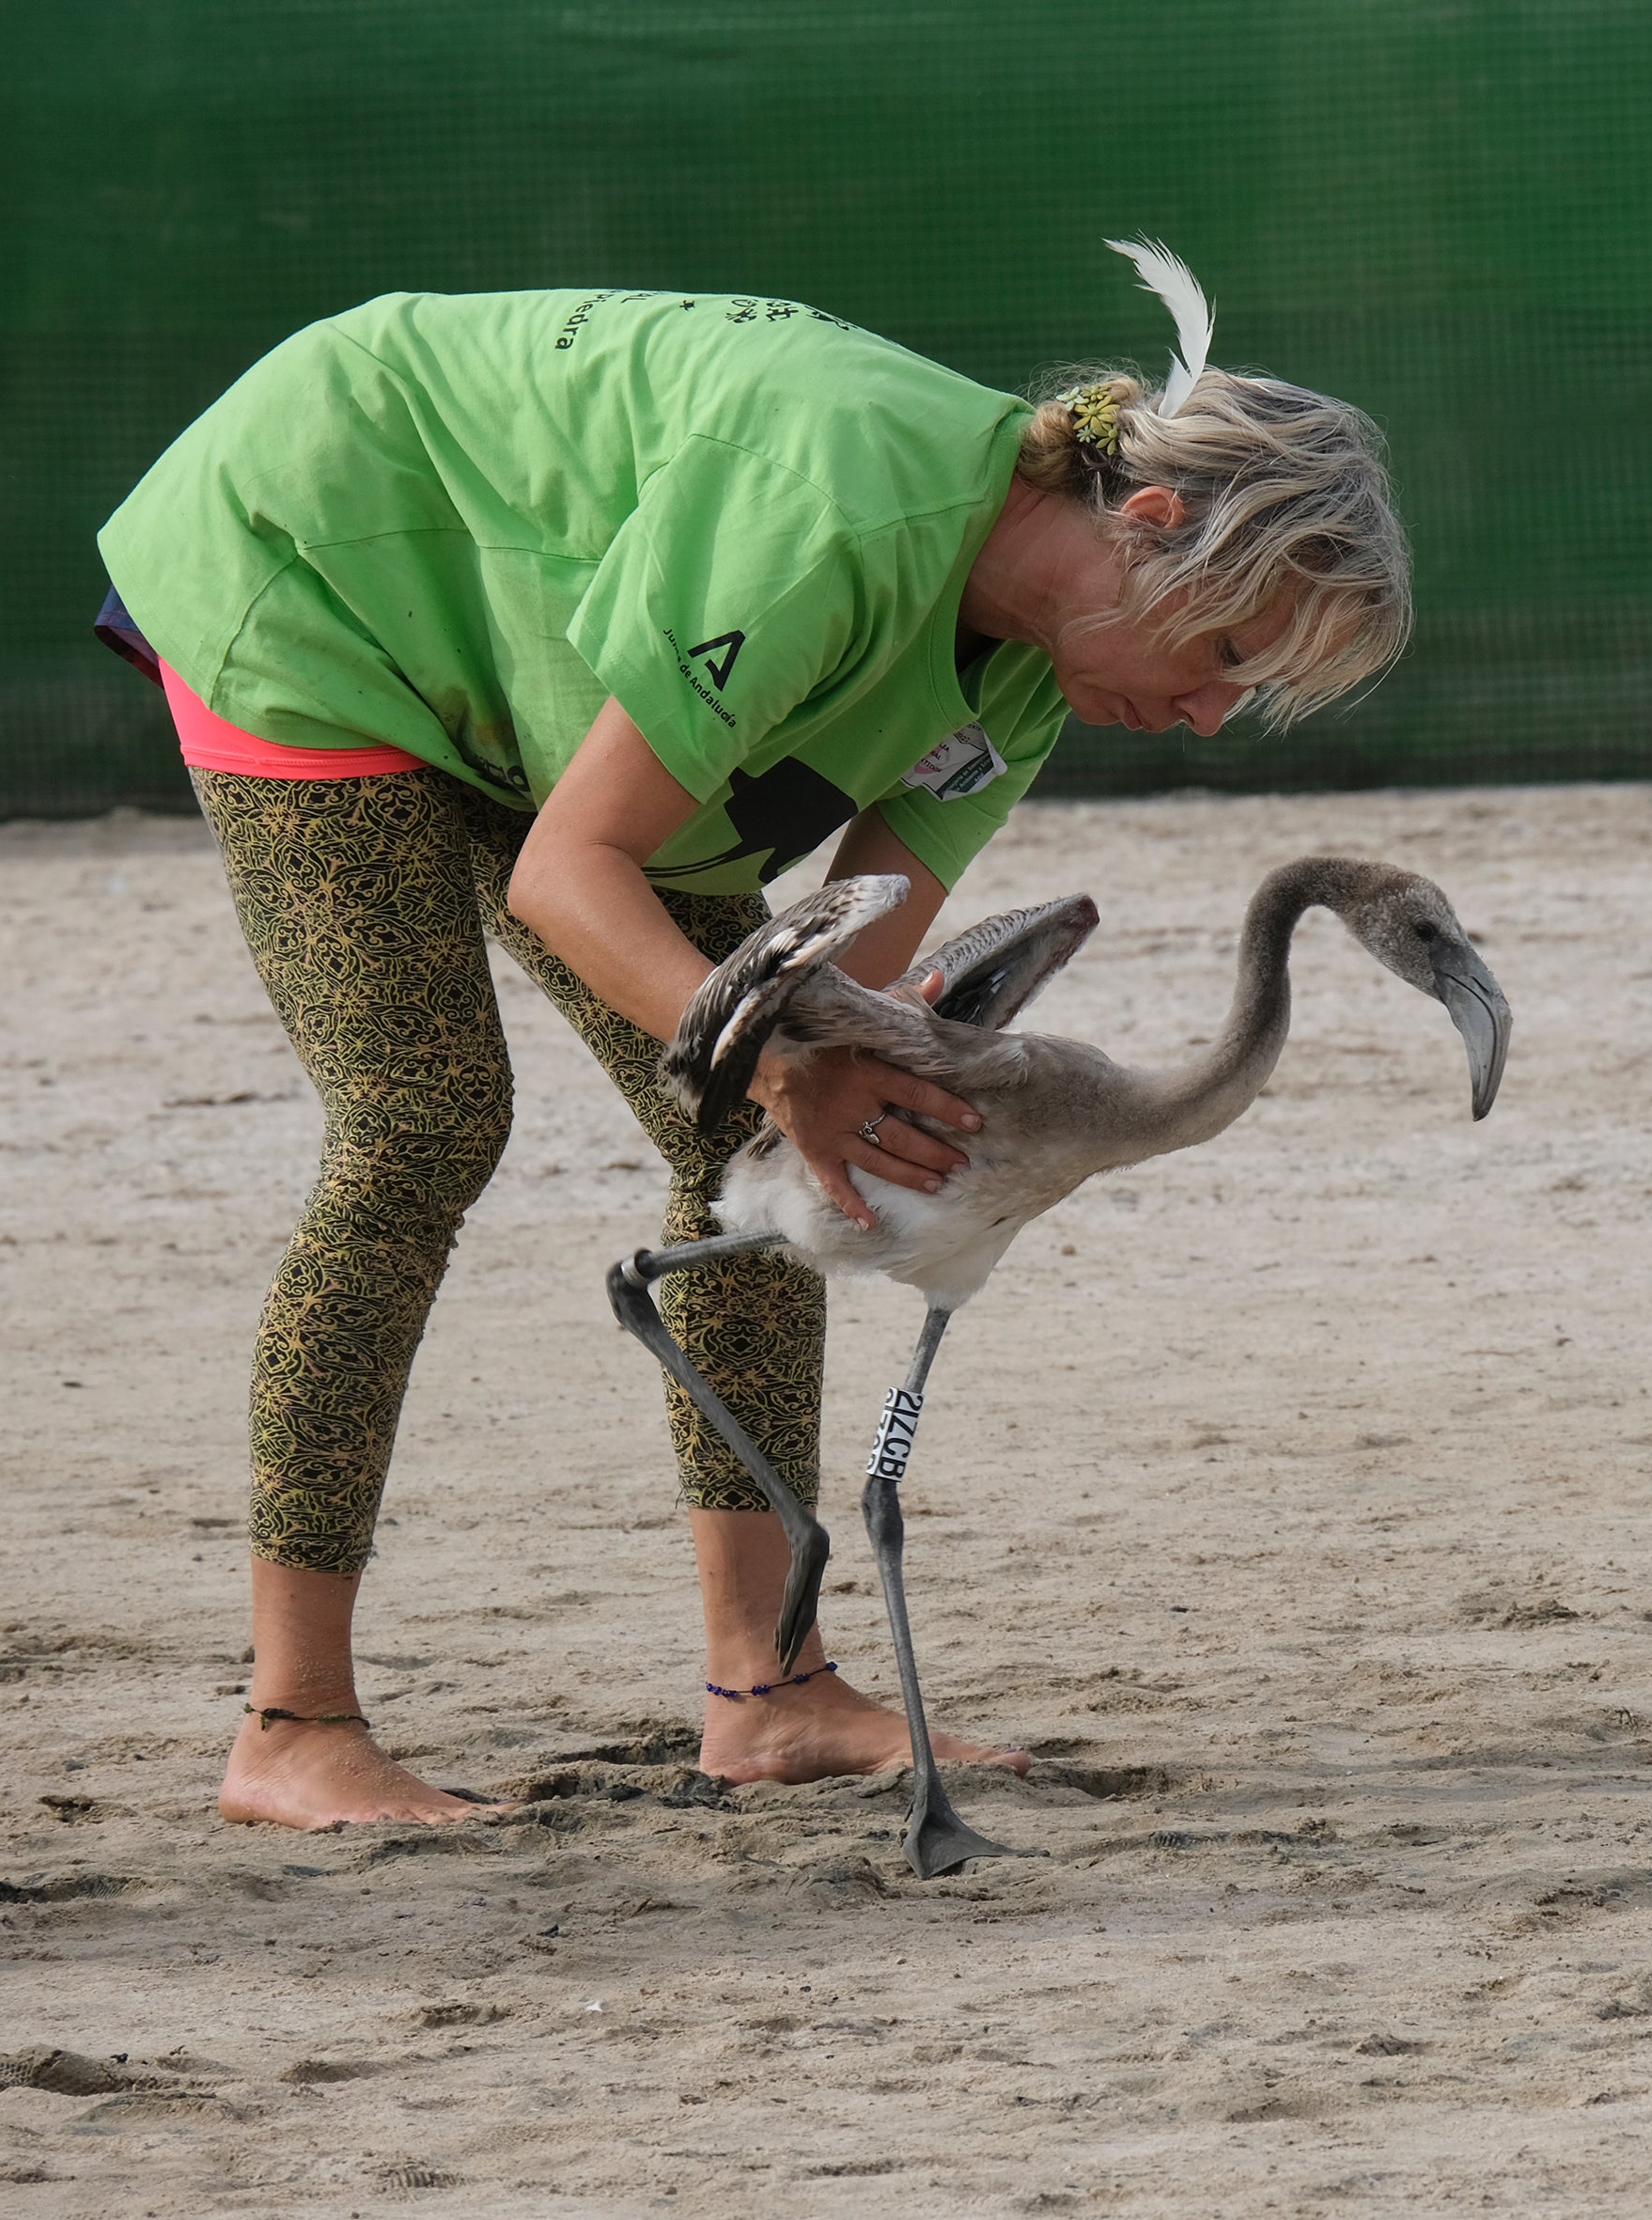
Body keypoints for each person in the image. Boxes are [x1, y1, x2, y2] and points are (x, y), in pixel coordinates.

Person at [94, 242, 1410, 1828]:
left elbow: (846, 975)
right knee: (423, 1117)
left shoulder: (1039, 673)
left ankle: (766, 1689)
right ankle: (292, 1725)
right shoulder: (835, 514)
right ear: (1141, 529)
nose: (1209, 720)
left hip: (534, 679)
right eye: (1220, 661)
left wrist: (831, 1074)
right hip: (319, 570)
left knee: (779, 1144)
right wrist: (792, 1067)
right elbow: (571, 874)